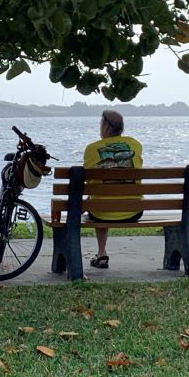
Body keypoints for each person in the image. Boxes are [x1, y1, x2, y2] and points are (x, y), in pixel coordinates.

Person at [82, 110, 143, 269]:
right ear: (121, 129)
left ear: (106, 127)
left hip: (101, 213)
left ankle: (102, 253)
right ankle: (101, 253)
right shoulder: (136, 145)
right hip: (133, 211)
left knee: (100, 203)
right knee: (102, 200)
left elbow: (89, 183)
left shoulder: (91, 149)